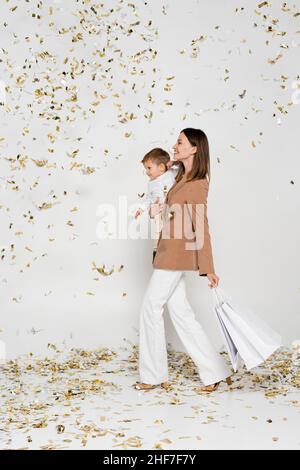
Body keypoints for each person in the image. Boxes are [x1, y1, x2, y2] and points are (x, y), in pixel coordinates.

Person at [134, 128, 233, 393]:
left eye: (180, 142)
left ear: (194, 148)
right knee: (182, 313)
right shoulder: (179, 175)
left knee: (150, 307)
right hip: (167, 251)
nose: (174, 145)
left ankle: (153, 375)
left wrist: (208, 267)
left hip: (177, 256)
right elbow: (169, 199)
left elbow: (201, 226)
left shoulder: (198, 183)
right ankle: (215, 372)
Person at [134, 148, 180, 262]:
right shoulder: (151, 184)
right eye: (145, 168)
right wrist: (141, 208)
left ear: (160, 167)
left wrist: (174, 162)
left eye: (149, 168)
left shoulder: (171, 174)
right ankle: (158, 253)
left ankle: (176, 252)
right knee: (160, 232)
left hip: (174, 208)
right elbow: (149, 198)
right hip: (160, 212)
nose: (147, 171)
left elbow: (184, 168)